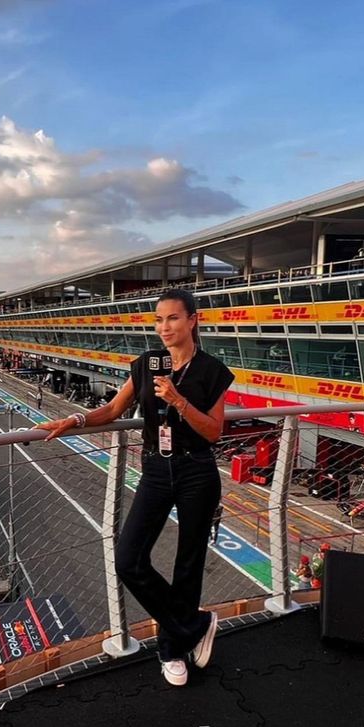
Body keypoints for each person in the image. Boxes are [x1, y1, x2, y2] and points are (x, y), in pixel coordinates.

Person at [39, 288, 233, 687]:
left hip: (197, 469)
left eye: (173, 318)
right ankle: (194, 626)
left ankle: (171, 649)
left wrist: (178, 401)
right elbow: (113, 409)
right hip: (155, 470)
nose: (164, 327)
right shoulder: (147, 364)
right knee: (129, 558)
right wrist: (74, 420)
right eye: (159, 320)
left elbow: (213, 432)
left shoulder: (212, 370)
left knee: (188, 565)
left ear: (193, 320)